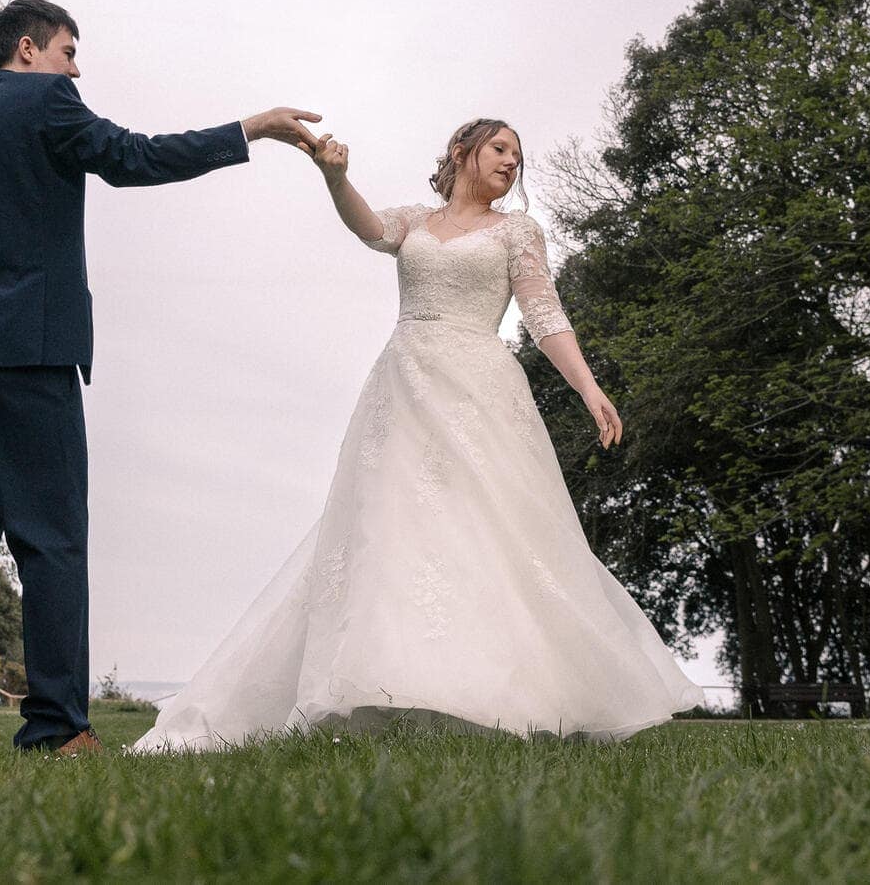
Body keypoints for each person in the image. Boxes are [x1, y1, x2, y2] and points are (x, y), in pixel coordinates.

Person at [0, 0, 320, 755]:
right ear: (27, 49)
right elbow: (135, 157)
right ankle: (57, 727)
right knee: (52, 541)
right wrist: (250, 128)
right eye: (69, 51)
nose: (76, 68)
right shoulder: (47, 100)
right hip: (29, 353)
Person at [133, 118, 702, 751]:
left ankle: (506, 697)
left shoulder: (518, 231)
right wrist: (335, 176)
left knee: (491, 529)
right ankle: (386, 691)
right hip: (403, 385)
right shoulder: (415, 222)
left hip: (481, 388)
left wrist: (590, 388)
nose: (512, 163)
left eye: (519, 156)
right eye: (501, 149)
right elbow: (368, 227)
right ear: (463, 152)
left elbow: (545, 316)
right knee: (392, 527)